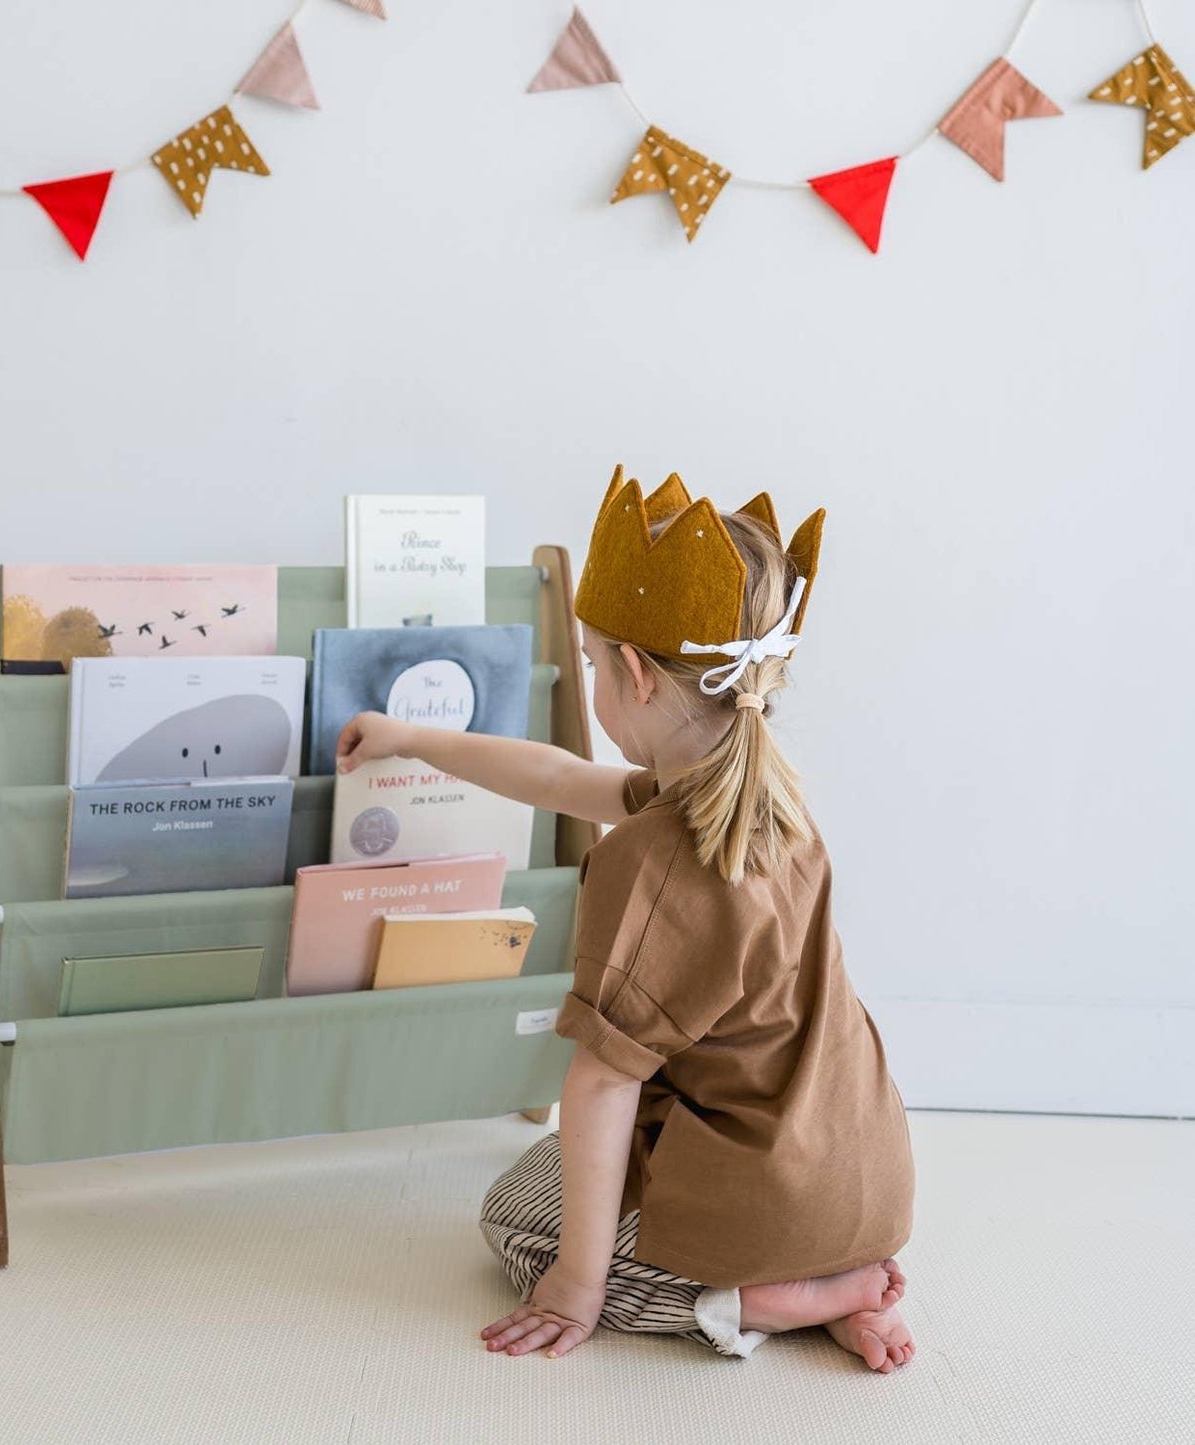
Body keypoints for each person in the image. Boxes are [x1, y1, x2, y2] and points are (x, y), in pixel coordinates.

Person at [334, 467, 916, 1372]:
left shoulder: (650, 860)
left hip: (763, 1189)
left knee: (517, 1210)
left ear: (634, 676)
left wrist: (576, 1278)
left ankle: (758, 1300)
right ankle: (834, 1279)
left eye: (597, 664)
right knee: (607, 1162)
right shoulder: (768, 803)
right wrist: (413, 738)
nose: (597, 682)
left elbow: (602, 1086)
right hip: (860, 1176)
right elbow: (563, 778)